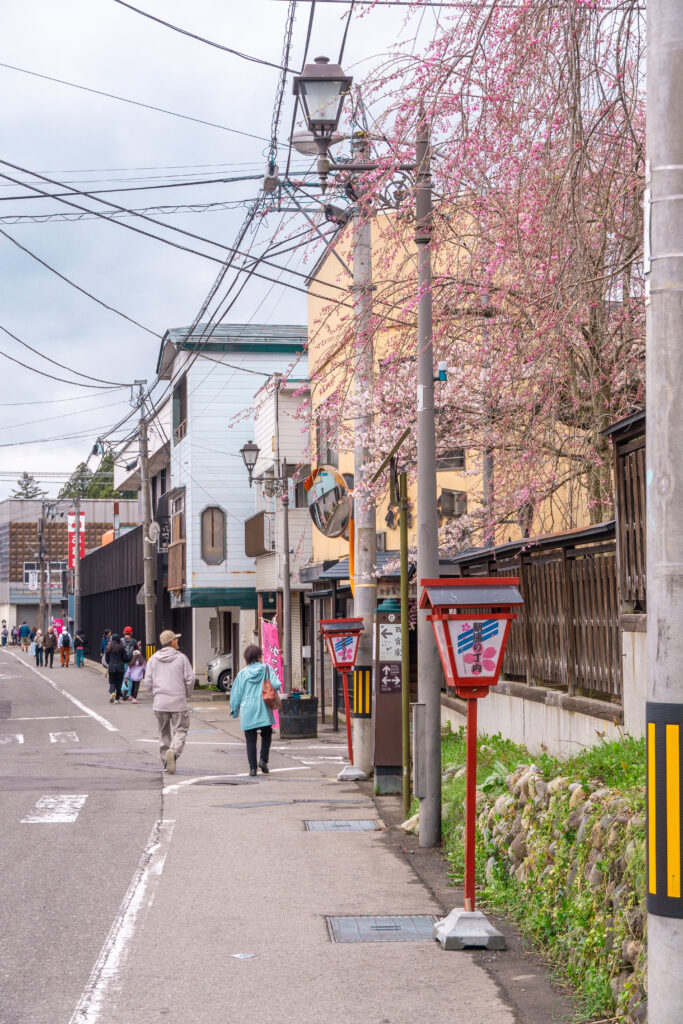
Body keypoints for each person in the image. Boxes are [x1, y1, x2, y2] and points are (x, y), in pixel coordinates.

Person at [145, 630, 194, 773]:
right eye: (176, 640)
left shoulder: (153, 659)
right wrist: (187, 694)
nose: (177, 642)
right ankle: (174, 751)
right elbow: (189, 679)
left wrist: (153, 694)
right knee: (180, 730)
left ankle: (166, 761)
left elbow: (148, 681)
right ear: (171, 642)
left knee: (163, 732)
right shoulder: (182, 658)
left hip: (160, 702)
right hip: (178, 701)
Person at [229, 645, 281, 777]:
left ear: (246, 659)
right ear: (259, 656)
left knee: (250, 740)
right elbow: (276, 685)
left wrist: (234, 710)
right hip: (263, 708)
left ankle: (252, 769)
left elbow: (236, 694)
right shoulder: (266, 668)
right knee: (267, 733)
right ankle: (263, 760)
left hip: (248, 711)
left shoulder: (242, 674)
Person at [104, 633, 130, 702]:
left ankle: (112, 692)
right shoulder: (121, 647)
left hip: (112, 667)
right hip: (120, 667)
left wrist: (110, 662)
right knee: (119, 683)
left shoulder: (108, 647)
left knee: (112, 682)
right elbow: (125, 658)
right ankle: (117, 699)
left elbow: (106, 659)